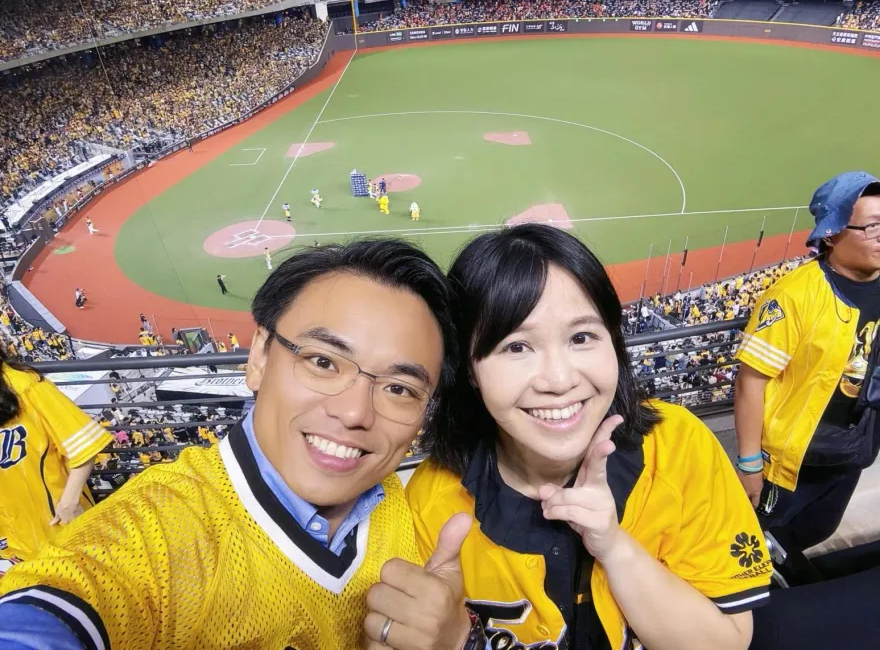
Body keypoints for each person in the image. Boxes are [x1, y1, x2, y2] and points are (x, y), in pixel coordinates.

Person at [0, 239, 487, 649]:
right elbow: (53, 610)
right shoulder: (157, 533)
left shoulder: (409, 507)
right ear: (258, 356)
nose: (355, 412)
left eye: (399, 389)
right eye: (323, 362)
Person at [403, 224, 770, 650]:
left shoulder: (679, 445)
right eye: (516, 347)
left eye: (582, 337)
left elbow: (727, 642)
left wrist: (613, 547)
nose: (559, 381)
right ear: (469, 368)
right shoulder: (432, 501)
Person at [734, 171, 880, 552]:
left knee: (818, 529)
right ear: (831, 235)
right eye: (872, 226)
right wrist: (749, 464)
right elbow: (750, 382)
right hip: (792, 462)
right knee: (756, 542)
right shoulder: (792, 297)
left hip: (852, 449)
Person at [0, 344, 113, 576]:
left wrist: (69, 502)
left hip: (60, 529)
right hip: (13, 545)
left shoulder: (27, 387)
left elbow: (84, 446)